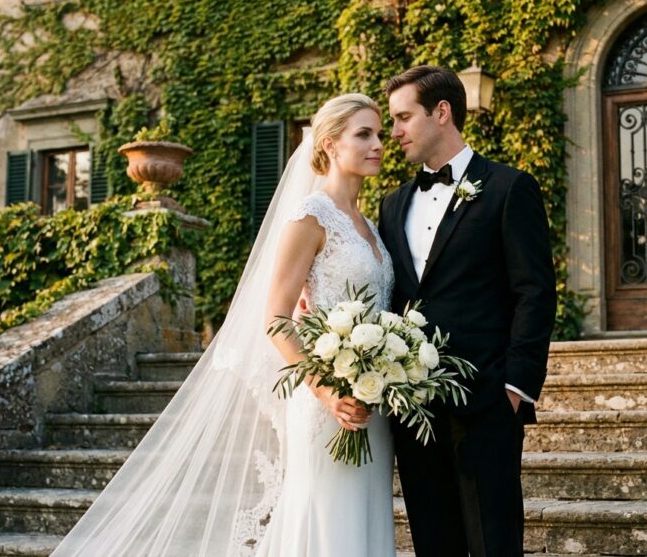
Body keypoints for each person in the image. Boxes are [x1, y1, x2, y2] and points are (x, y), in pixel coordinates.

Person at [50, 93, 395, 557]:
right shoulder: (310, 217)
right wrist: (325, 391)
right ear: (330, 144)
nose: (379, 144)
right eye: (364, 134)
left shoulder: (369, 225)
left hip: (372, 403)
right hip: (326, 405)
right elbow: (276, 319)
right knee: (326, 522)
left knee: (363, 520)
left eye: (379, 133)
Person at [378, 65, 556, 557]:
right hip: (413, 409)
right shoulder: (392, 205)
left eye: (403, 117)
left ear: (442, 112)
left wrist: (515, 388)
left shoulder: (508, 188)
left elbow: (534, 292)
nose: (394, 132)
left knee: (495, 544)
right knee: (434, 543)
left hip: (487, 402)